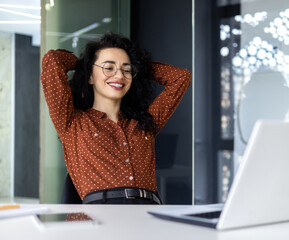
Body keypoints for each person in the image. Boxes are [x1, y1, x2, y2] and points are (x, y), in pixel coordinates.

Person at [40, 32, 191, 204]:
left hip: (149, 211)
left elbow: (180, 78)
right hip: (102, 213)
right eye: (109, 68)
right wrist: (83, 63)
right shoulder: (72, 122)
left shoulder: (144, 122)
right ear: (90, 76)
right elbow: (53, 60)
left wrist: (139, 66)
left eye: (126, 70)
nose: (119, 76)